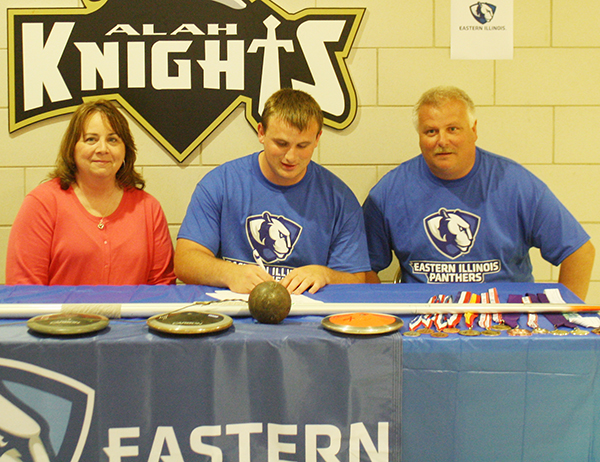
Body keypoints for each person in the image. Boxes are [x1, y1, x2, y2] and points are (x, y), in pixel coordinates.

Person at [363, 86, 595, 300]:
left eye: (452, 129)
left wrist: (565, 317)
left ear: (473, 130)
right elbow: (362, 268)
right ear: (420, 137)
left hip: (506, 324)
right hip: (423, 325)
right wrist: (384, 312)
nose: (442, 140)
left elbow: (580, 252)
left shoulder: (515, 183)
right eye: (431, 131)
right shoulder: (389, 191)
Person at [175, 88, 370, 294]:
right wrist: (230, 273)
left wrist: (325, 275)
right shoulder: (220, 184)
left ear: (318, 138)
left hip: (308, 317)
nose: (291, 157)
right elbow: (185, 261)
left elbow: (357, 279)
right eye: (281, 143)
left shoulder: (339, 198)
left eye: (303, 145)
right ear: (261, 132)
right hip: (236, 314)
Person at [6, 99, 176, 285]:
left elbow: (163, 287)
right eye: (91, 139)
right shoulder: (42, 204)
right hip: (61, 316)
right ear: (72, 148)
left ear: (125, 151)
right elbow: (24, 289)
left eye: (112, 140)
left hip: (133, 316)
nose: (102, 149)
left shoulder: (148, 208)